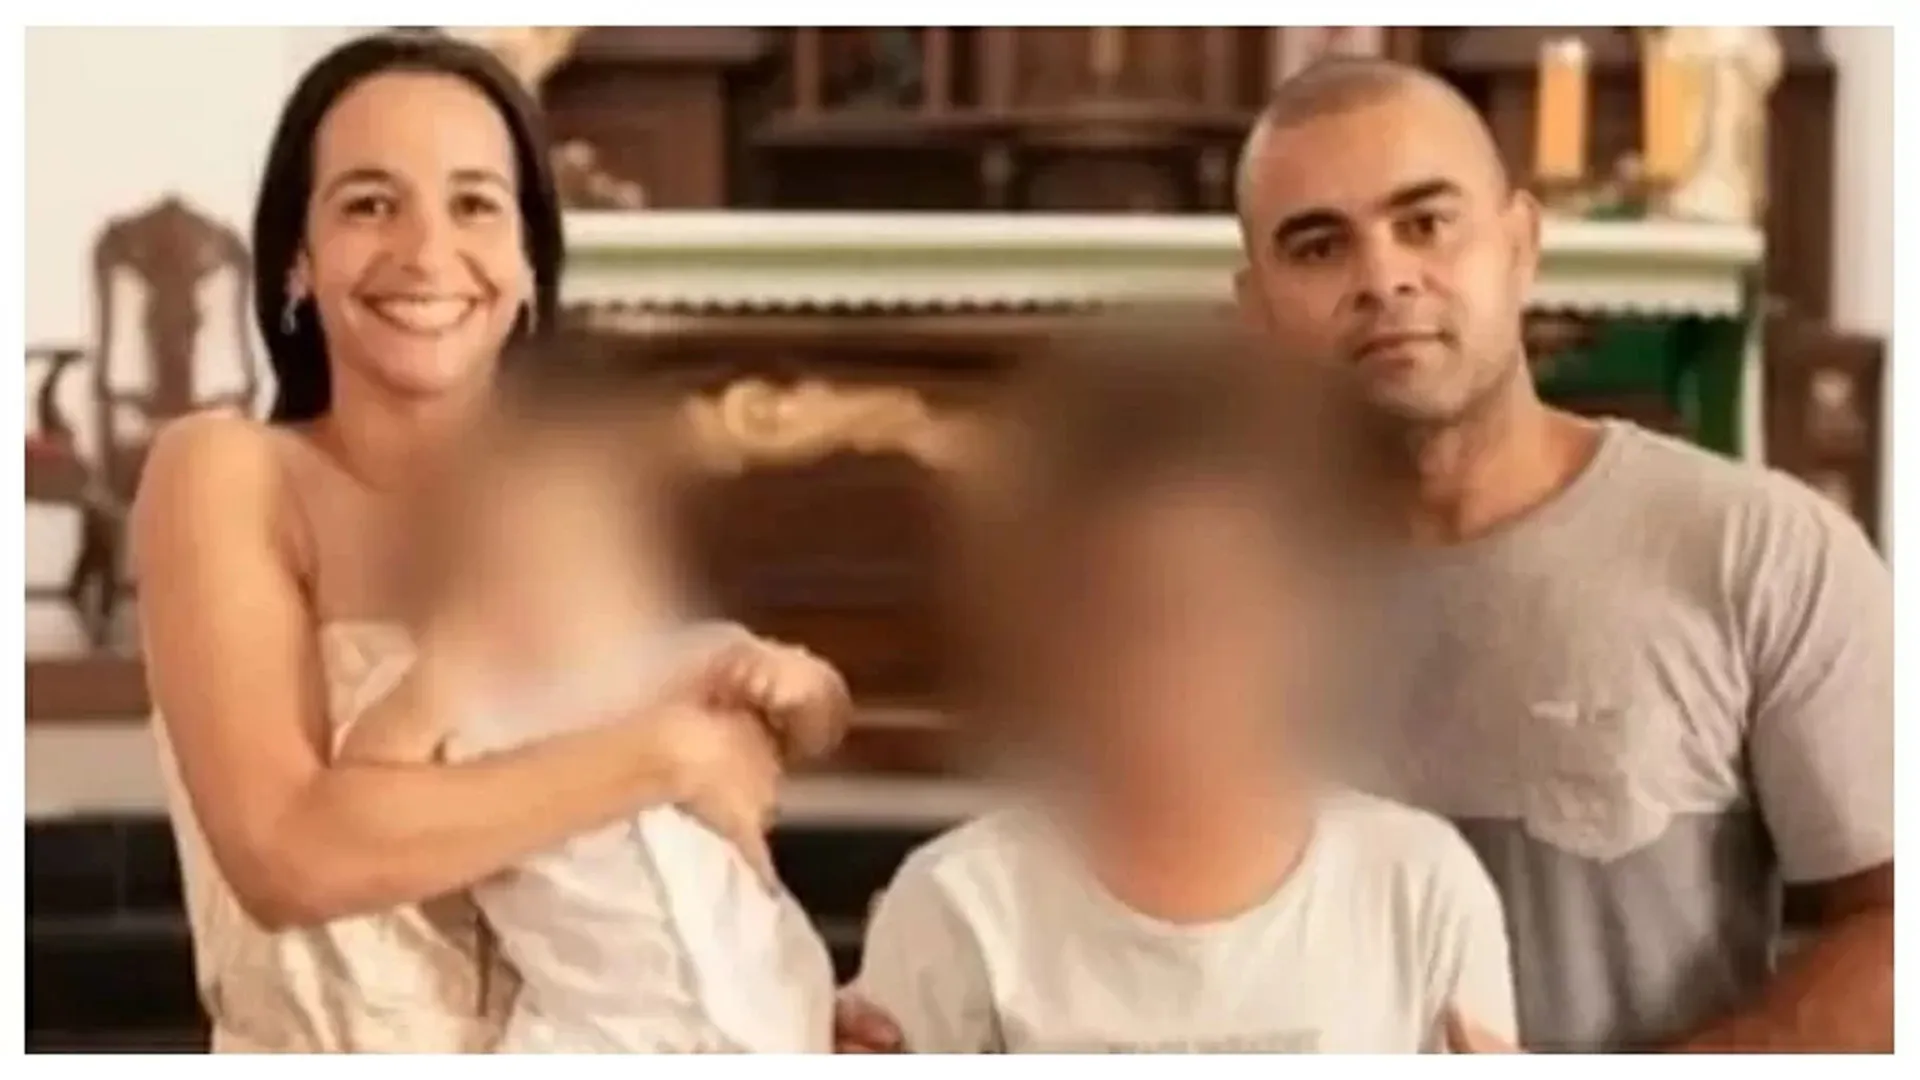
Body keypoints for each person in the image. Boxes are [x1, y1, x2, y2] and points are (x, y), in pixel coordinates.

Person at [134, 33, 840, 1053]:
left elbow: (659, 874)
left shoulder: (562, 511)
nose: (427, 252)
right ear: (298, 258)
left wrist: (774, 1011)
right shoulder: (226, 471)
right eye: (369, 204)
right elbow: (289, 858)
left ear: (527, 265)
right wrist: (664, 754)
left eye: (474, 204)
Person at [1226, 58, 1892, 1051]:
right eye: (1320, 246)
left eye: (1427, 223)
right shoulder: (1194, 586)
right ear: (1257, 307)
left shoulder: (1758, 550)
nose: (1384, 277)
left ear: (1520, 246)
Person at [848, 324, 1517, 1053]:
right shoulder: (961, 903)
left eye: (1218, 614)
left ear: (1304, 622)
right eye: (1128, 620)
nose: (1172, 670)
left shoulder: (1416, 887)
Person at [336, 342, 848, 1053]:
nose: (553, 579)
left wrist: (800, 681)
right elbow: (364, 793)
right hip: (598, 1028)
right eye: (514, 558)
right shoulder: (475, 713)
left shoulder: (690, 657)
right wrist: (444, 673)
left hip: (774, 1007)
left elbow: (819, 728)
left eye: (579, 548)